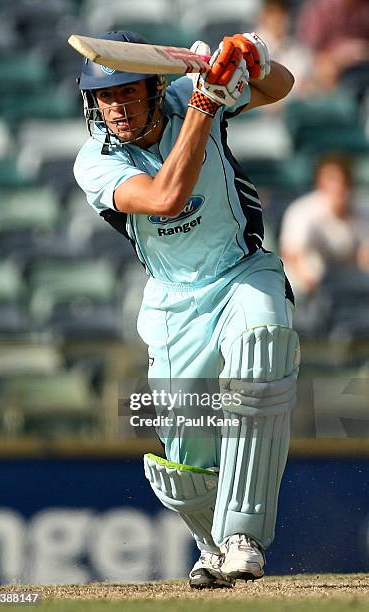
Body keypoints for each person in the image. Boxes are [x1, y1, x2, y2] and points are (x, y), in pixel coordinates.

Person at [73, 30, 300, 589]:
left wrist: (255, 59)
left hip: (242, 269)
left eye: (128, 93)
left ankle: (243, 535)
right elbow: (164, 198)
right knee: (186, 452)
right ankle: (212, 545)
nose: (116, 108)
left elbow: (280, 88)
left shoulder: (184, 95)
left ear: (155, 88)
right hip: (175, 303)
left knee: (262, 346)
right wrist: (206, 101)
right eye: (105, 97)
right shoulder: (95, 162)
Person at [279, 153, 369, 332]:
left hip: (347, 280)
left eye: (342, 181)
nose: (337, 188)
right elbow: (292, 254)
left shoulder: (362, 210)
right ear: (320, 184)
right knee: (311, 267)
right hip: (310, 286)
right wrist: (315, 286)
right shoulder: (303, 211)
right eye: (331, 181)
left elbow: (365, 254)